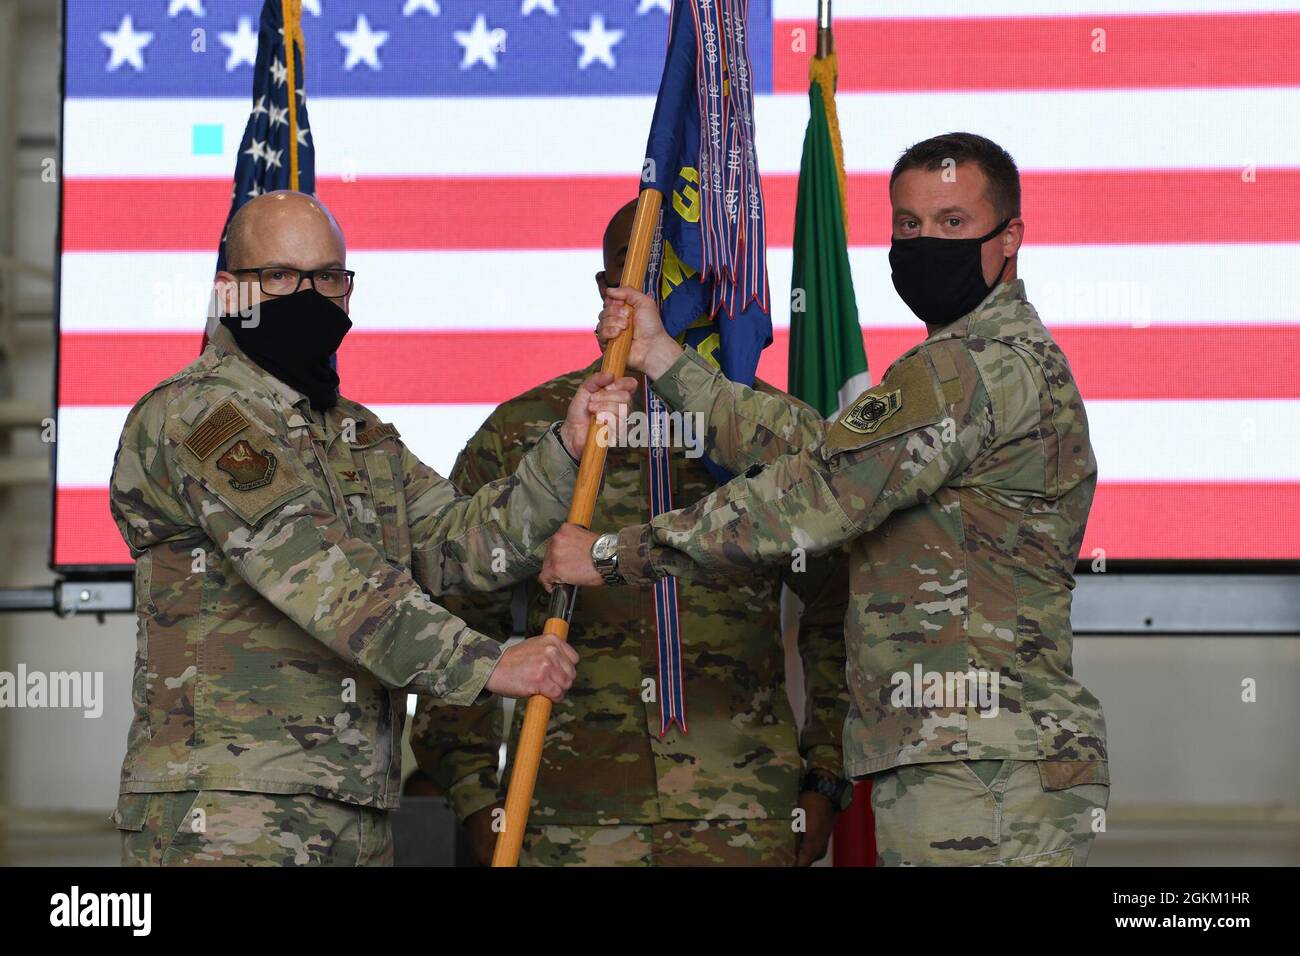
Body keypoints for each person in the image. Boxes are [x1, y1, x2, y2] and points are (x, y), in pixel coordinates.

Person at [543, 133, 1110, 866]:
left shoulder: (972, 368)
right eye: (908, 225)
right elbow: (824, 451)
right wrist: (663, 357)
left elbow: (815, 495)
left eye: (951, 223)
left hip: (980, 767)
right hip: (975, 757)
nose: (923, 242)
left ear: (1010, 239)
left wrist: (613, 553)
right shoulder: (971, 364)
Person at [108, 190, 634, 866]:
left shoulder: (358, 435)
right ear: (229, 291)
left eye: (327, 277)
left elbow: (461, 543)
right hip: (231, 813)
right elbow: (322, 577)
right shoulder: (199, 418)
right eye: (278, 277)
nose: (308, 296)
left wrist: (564, 447)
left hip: (354, 810)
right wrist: (489, 662)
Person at [408, 200, 853, 867]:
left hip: (742, 814)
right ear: (605, 289)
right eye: (643, 267)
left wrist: (823, 775)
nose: (666, 285)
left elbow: (837, 606)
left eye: (685, 268)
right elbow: (460, 613)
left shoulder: (766, 435)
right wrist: (476, 796)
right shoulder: (530, 431)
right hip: (569, 817)